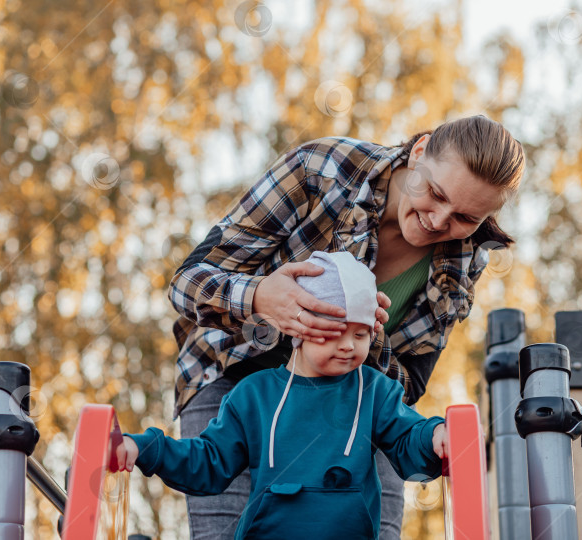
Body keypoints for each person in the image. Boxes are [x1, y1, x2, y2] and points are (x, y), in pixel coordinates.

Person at [169, 115, 525, 539]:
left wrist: (366, 341)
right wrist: (263, 296)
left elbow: (409, 382)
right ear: (419, 151)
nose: (438, 220)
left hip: (351, 408)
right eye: (434, 192)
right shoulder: (319, 169)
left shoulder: (463, 262)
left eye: (465, 217)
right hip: (233, 379)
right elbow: (186, 282)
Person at [116, 251, 447, 539]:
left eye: (360, 334)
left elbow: (408, 437)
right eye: (332, 332)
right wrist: (146, 448)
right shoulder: (254, 395)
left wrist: (434, 435)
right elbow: (208, 462)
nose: (347, 345)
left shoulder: (375, 391)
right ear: (299, 329)